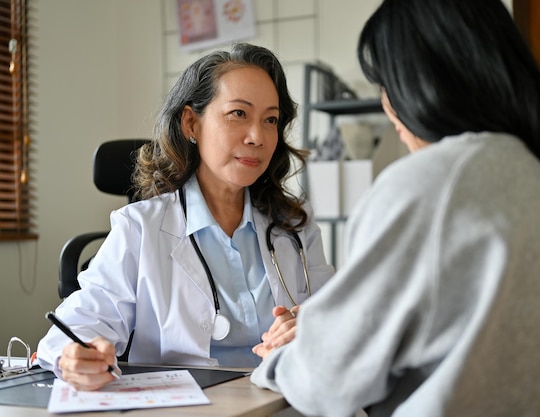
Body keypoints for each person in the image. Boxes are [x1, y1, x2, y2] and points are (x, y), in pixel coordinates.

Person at [250, 0, 540, 416]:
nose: (386, 105)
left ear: (419, 82)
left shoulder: (435, 182)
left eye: (386, 83)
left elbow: (326, 384)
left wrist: (279, 359)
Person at [37, 43, 334, 391]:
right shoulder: (140, 229)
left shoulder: (295, 225)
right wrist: (76, 355)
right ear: (192, 123)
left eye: (270, 119)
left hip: (283, 401)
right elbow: (77, 326)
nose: (258, 136)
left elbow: (338, 318)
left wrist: (311, 326)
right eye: (239, 113)